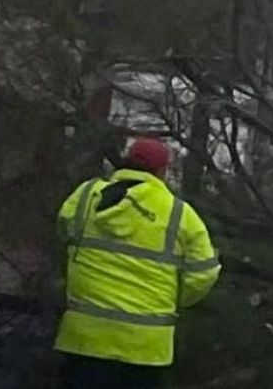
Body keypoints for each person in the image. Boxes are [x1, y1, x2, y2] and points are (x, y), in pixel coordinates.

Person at [55, 137, 221, 389]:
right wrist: (172, 298)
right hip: (147, 349)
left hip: (84, 339)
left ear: (126, 161)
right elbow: (205, 273)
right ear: (163, 171)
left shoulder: (86, 195)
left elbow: (64, 230)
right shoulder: (179, 214)